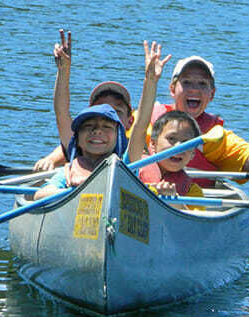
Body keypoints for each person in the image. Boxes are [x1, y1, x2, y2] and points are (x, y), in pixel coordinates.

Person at [129, 53, 249, 186]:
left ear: (212, 94)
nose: (194, 90)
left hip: (194, 203)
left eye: (202, 84)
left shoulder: (216, 138)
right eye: (186, 82)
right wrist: (150, 80)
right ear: (172, 89)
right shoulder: (146, 120)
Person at [33, 29, 133, 172]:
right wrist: (64, 70)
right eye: (100, 107)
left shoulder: (132, 151)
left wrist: (151, 80)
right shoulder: (79, 143)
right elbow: (61, 113)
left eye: (116, 111)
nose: (98, 130)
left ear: (130, 121)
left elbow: (142, 124)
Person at [125, 43, 202, 210]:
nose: (178, 147)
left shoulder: (192, 191)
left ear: (192, 154)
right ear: (152, 144)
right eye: (171, 139)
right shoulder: (135, 165)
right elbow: (139, 126)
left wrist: (175, 203)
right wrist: (150, 80)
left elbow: (197, 220)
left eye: (186, 143)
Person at [33, 104, 128, 200]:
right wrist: (78, 193)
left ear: (118, 138)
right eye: (88, 125)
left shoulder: (128, 167)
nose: (97, 131)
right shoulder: (69, 171)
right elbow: (39, 195)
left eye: (107, 126)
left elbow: (139, 127)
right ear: (77, 139)